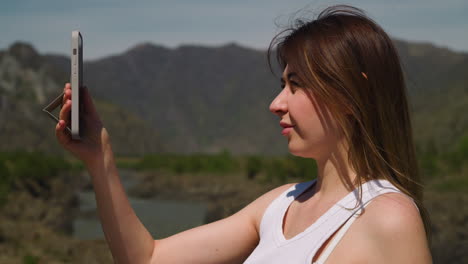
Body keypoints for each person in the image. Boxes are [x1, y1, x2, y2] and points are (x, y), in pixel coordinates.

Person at [55, 4, 433, 264]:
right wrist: (98, 156)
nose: (276, 103)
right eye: (283, 84)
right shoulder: (279, 205)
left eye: (296, 85)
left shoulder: (388, 217)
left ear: (353, 94)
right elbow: (149, 258)